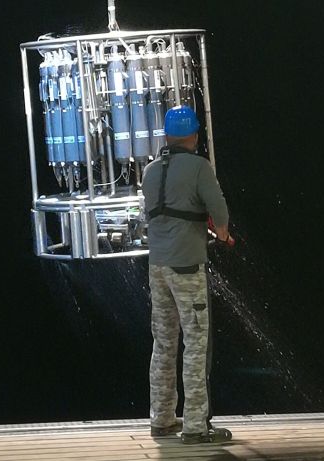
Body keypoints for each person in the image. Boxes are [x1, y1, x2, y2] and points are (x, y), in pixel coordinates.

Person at [141, 105, 233, 444]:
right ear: (194, 136)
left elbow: (150, 214)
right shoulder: (198, 167)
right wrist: (222, 236)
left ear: (167, 136)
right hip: (187, 269)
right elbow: (219, 210)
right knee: (196, 344)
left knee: (163, 343)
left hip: (158, 269)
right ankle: (195, 426)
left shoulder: (150, 171)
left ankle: (162, 419)